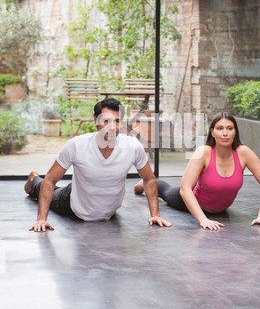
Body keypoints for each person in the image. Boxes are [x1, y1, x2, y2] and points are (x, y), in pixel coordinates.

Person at [25, 97, 172, 232]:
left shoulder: (133, 146)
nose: (112, 127)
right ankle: (33, 180)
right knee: (46, 188)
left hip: (105, 210)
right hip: (72, 202)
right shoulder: (76, 145)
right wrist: (41, 219)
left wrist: (155, 215)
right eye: (106, 121)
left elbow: (149, 179)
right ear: (96, 120)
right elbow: (50, 181)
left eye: (117, 121)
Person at [134, 111, 260, 231]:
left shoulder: (244, 153)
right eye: (220, 128)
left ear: (235, 132)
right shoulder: (203, 152)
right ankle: (143, 184)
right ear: (212, 132)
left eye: (229, 128)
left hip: (220, 209)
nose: (225, 133)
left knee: (168, 190)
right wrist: (203, 220)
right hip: (192, 201)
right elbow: (185, 189)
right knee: (166, 191)